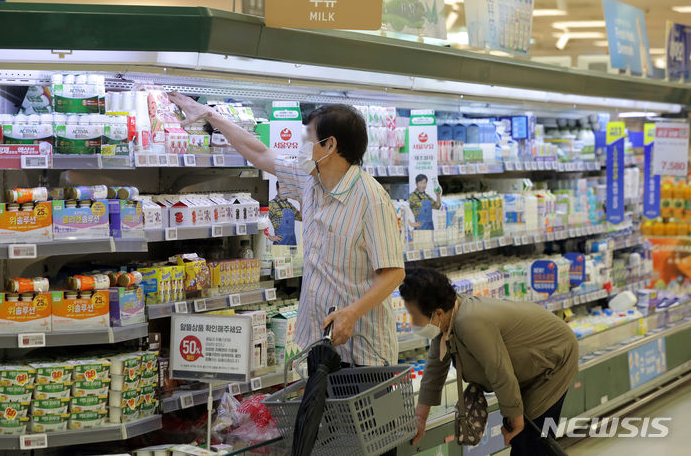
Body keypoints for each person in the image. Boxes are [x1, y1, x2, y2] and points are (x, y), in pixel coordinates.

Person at [168, 94, 405, 366]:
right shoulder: (310, 180)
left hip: (363, 351)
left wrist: (351, 313)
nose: (303, 145)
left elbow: (394, 272)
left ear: (330, 145)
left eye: (309, 139)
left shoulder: (371, 199)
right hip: (319, 342)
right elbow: (259, 153)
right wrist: (210, 115)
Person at [399, 267, 579, 456]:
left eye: (414, 315)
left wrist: (516, 420)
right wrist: (420, 417)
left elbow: (499, 371)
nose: (412, 321)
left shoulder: (470, 321)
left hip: (554, 360)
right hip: (530, 367)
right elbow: (435, 367)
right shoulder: (448, 318)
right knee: (524, 438)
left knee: (530, 439)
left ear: (437, 313)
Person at [268, 181, 302, 245]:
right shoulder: (271, 204)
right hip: (280, 245)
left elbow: (301, 218)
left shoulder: (290, 205)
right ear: (277, 189)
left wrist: (301, 202)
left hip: (292, 244)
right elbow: (261, 221)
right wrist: (270, 237)